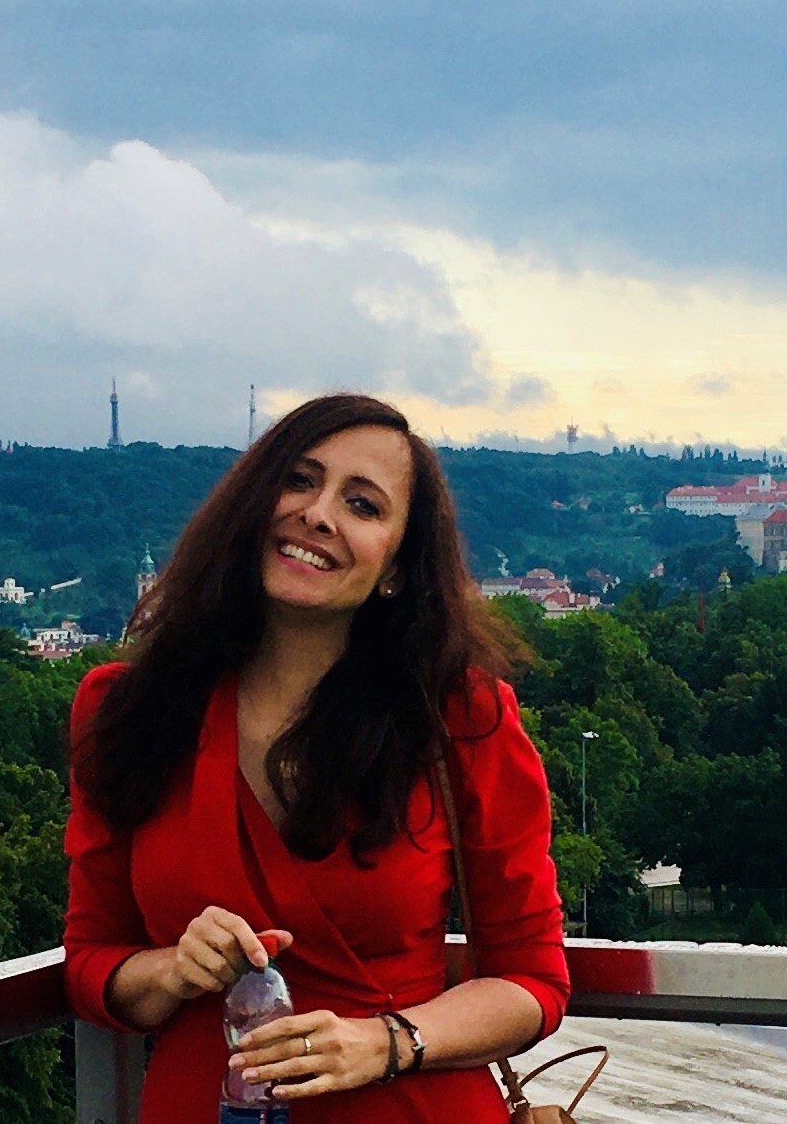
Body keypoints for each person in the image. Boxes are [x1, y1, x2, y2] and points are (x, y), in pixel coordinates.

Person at [65, 393, 569, 1123]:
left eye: (362, 505)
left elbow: (534, 982)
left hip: (408, 1106)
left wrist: (386, 1041)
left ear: (396, 566)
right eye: (298, 480)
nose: (318, 514)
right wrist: (173, 969)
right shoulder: (126, 709)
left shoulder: (459, 716)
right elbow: (90, 963)